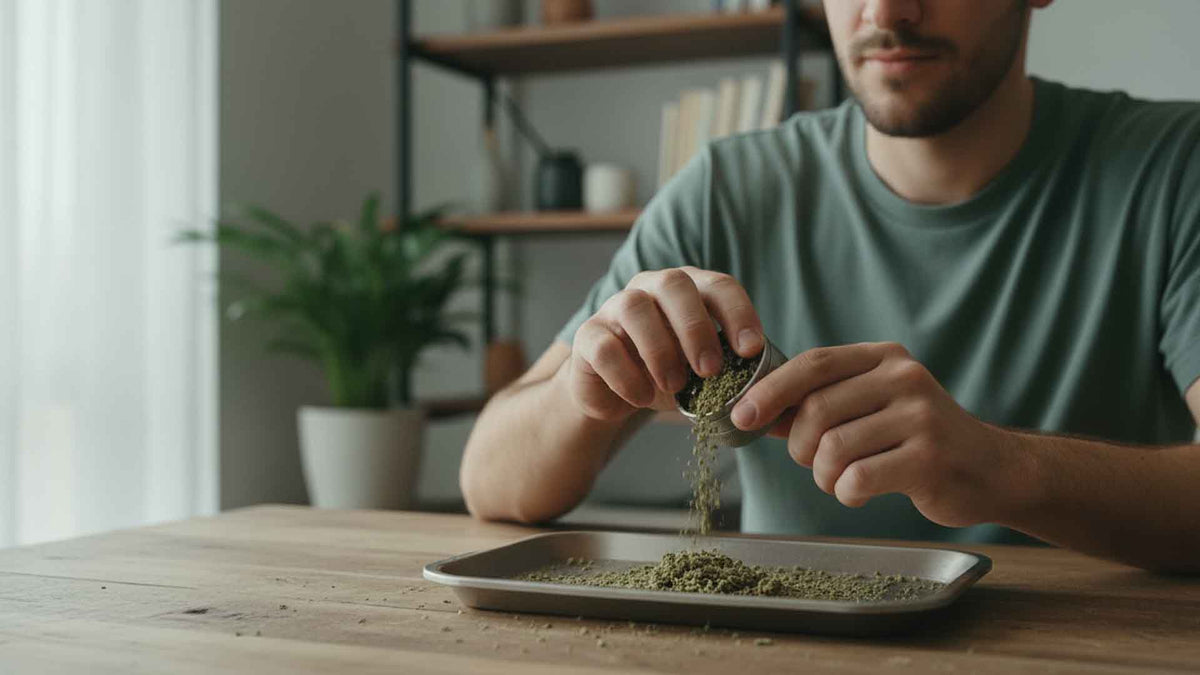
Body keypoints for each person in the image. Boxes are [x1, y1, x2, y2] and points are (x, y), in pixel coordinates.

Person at [459, 0, 1200, 573]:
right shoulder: (729, 189)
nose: (886, 11)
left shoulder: (1173, 170)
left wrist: (1004, 468)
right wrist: (580, 397)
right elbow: (488, 480)